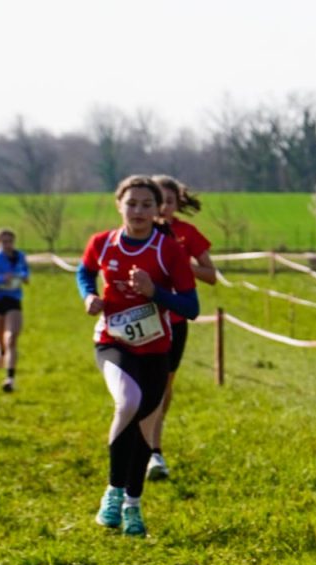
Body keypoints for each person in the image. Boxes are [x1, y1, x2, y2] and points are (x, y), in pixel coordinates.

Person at [77, 175, 198, 536]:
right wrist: (88, 295)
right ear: (119, 205)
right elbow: (85, 271)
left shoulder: (168, 249)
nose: (139, 211)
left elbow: (191, 307)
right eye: (132, 203)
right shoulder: (102, 243)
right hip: (113, 341)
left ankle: (133, 504)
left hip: (156, 348)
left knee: (146, 424)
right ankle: (113, 493)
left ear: (158, 209)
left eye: (147, 204)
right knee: (128, 401)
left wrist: (154, 292)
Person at [146, 174, 217, 481]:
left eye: (169, 201)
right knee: (140, 387)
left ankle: (154, 448)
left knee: (163, 386)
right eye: (157, 201)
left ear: (177, 203)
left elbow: (211, 275)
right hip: (140, 319)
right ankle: (148, 449)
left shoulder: (187, 234)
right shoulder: (137, 232)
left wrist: (181, 263)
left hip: (174, 321)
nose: (163, 208)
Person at [0, 228, 30, 392]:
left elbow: (25, 270)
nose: (8, 245)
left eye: (10, 241)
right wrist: (1, 279)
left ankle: (10, 378)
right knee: (1, 339)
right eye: (4, 242)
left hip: (13, 299)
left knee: (11, 338)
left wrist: (23, 276)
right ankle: (0, 350)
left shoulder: (20, 256)